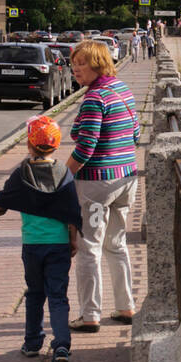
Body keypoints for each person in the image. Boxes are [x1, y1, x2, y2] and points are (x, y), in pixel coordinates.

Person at [0, 117, 82, 362]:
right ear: (56, 145)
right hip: (58, 244)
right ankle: (62, 346)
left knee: (34, 293)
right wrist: (72, 239)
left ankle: (32, 343)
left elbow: (0, 203)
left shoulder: (22, 172)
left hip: (32, 245)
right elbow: (71, 212)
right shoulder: (64, 173)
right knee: (58, 295)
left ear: (30, 144)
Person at [67, 40, 141, 331]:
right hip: (126, 179)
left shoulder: (94, 98)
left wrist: (62, 178)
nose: (76, 69)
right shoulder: (122, 90)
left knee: (89, 248)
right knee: (117, 244)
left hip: (98, 185)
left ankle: (90, 315)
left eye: (82, 63)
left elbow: (85, 148)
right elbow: (135, 134)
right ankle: (125, 307)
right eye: (74, 63)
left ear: (98, 64)